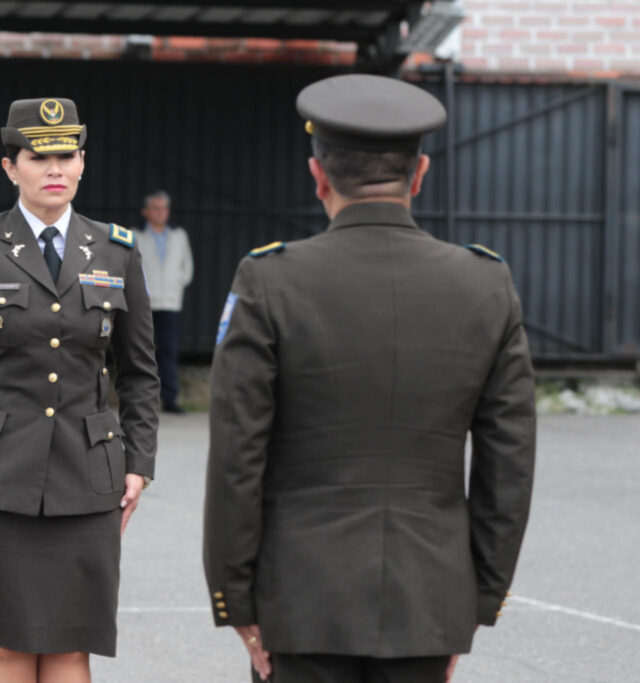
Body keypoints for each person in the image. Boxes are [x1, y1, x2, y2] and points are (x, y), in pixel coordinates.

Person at [202, 74, 536, 683]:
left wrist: (236, 601)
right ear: (420, 173)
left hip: (299, 600)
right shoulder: (486, 284)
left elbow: (236, 457)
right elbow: (508, 462)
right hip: (428, 600)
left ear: (318, 175)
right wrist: (476, 601)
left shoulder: (270, 279)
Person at [0, 97, 159, 683]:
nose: (54, 169)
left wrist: (140, 463)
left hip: (88, 475)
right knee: (6, 645)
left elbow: (139, 372)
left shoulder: (116, 250)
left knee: (72, 648)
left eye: (66, 156)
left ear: (82, 164)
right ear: (10, 167)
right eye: (37, 157)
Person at [134, 191, 193, 413]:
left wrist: (175, 285)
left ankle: (170, 399)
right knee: (142, 352)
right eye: (155, 208)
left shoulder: (179, 236)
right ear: (145, 212)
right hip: (143, 304)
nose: (160, 213)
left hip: (170, 303)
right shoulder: (135, 236)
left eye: (164, 208)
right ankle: (142, 399)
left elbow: (187, 267)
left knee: (168, 352)